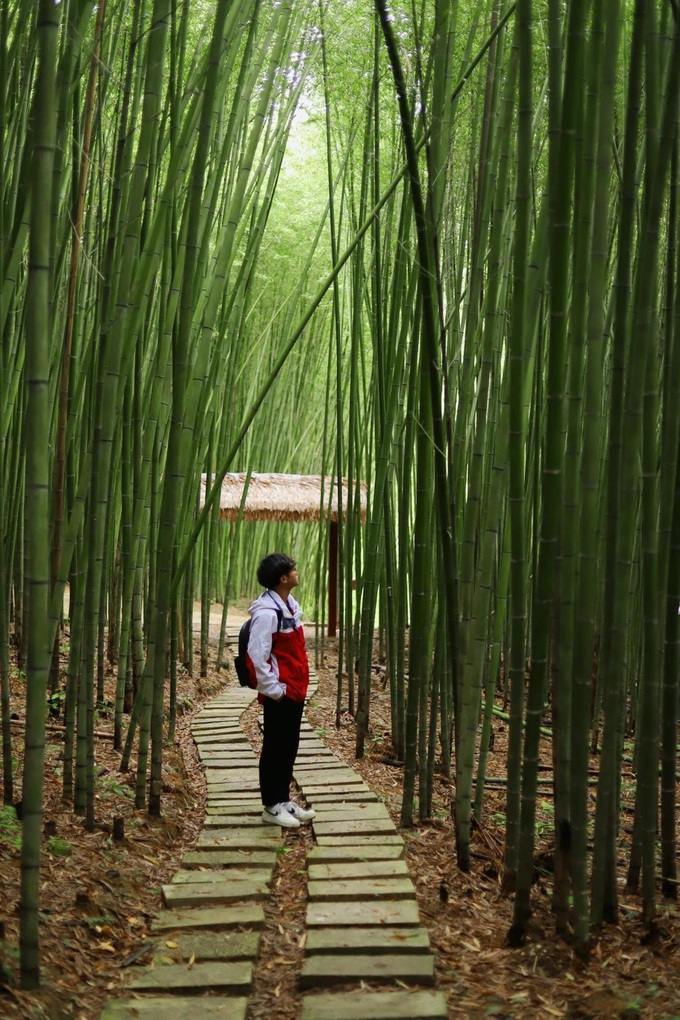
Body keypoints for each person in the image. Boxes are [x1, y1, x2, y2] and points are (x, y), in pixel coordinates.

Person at [246, 552, 316, 829]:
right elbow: (256, 657)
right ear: (283, 578)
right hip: (282, 691)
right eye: (293, 570)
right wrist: (275, 690)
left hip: (294, 689)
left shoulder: (289, 605)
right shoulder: (267, 613)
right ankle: (270, 806)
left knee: (289, 745)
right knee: (274, 747)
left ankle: (283, 799)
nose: (297, 573)